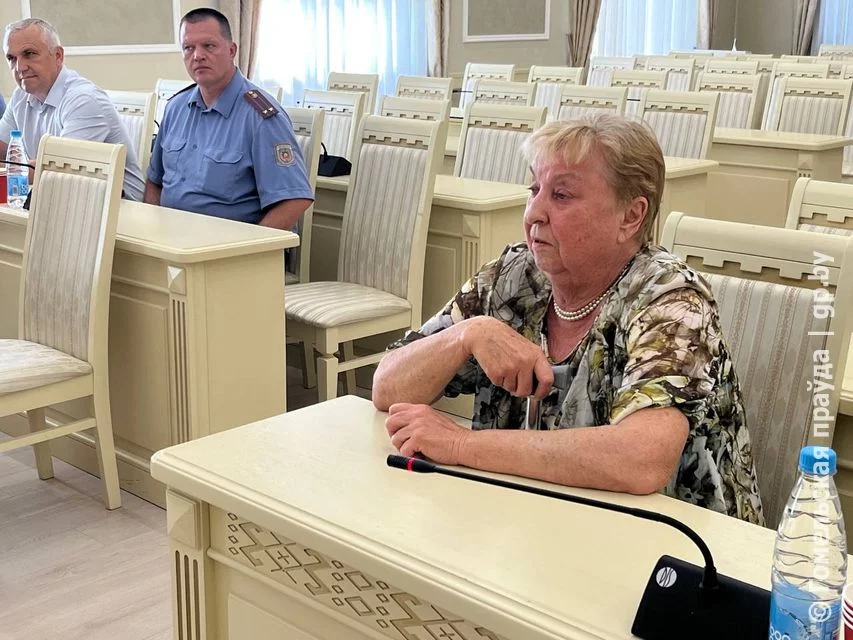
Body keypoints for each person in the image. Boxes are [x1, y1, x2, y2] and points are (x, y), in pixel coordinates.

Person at [373, 113, 765, 526]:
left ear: (631, 216)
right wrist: (467, 334)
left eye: (561, 195)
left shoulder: (671, 299)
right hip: (534, 522)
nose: (534, 213)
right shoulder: (514, 277)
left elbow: (641, 460)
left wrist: (460, 445)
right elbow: (387, 388)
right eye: (534, 189)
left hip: (679, 542)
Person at [145, 8, 313, 229]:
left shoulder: (260, 117)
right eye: (188, 48)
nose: (197, 56)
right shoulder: (175, 108)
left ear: (232, 50)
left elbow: (294, 200)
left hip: (228, 244)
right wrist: (153, 230)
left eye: (209, 46)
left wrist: (250, 246)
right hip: (171, 240)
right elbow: (154, 182)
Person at [0, 18, 145, 200]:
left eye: (29, 54)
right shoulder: (21, 95)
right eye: (11, 58)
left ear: (58, 56)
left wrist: (10, 172)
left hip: (120, 206)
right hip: (64, 198)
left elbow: (58, 170)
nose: (19, 67)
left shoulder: (84, 99)